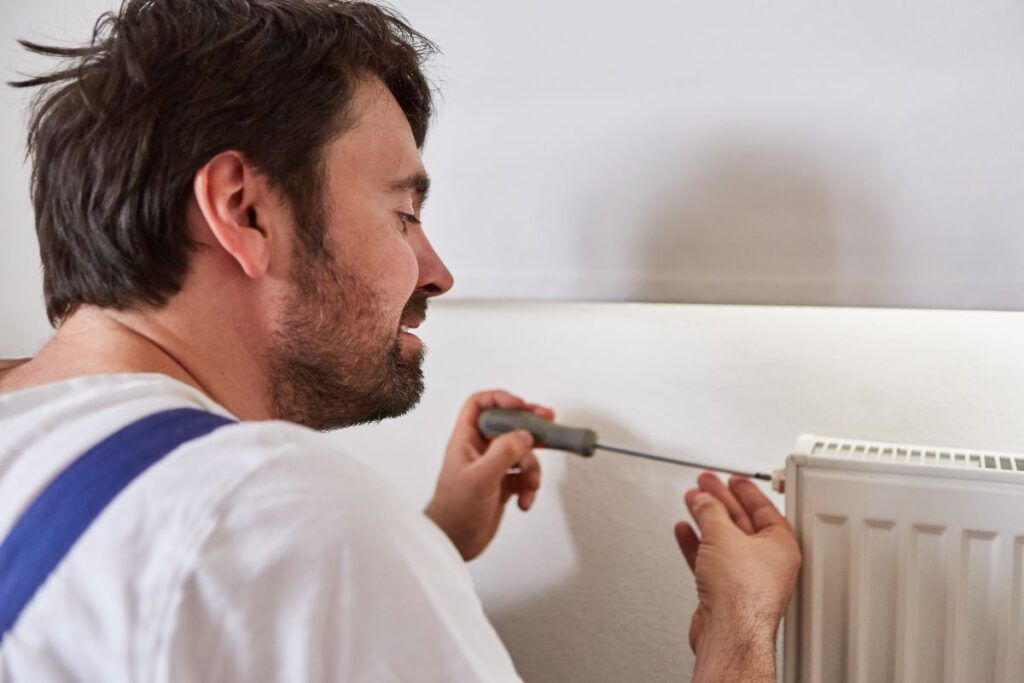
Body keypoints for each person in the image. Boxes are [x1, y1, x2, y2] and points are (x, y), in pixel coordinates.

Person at [0, 1, 801, 681]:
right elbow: (259, 555)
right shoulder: (286, 515)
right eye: (404, 214)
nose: (438, 271)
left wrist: (427, 543)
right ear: (245, 212)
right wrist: (740, 635)